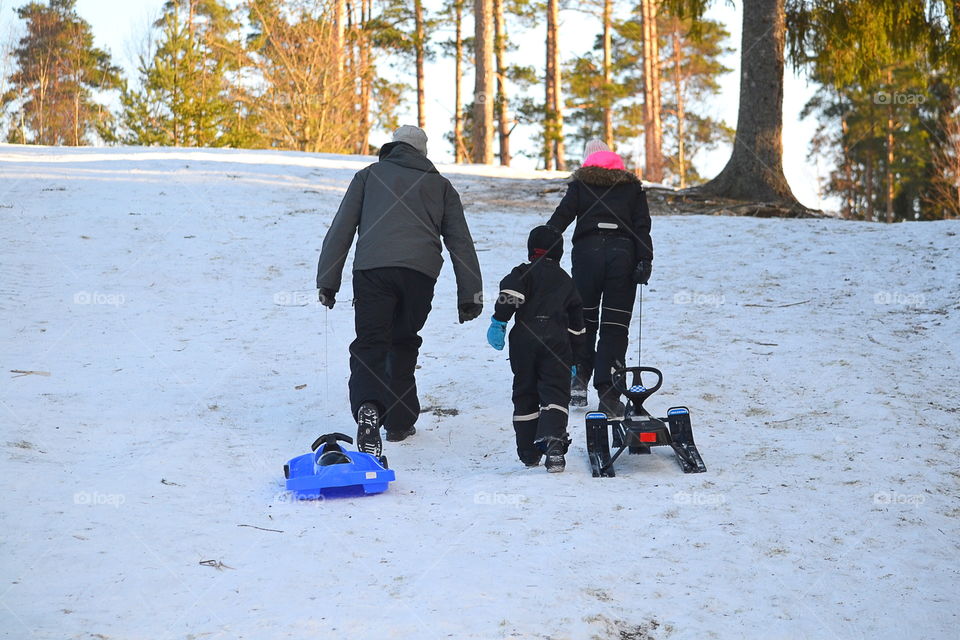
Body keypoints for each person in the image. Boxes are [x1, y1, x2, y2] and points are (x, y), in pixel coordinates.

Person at [316, 125, 483, 457]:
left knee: (371, 342)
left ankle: (368, 408)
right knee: (403, 342)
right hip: (419, 277)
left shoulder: (368, 176)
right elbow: (459, 241)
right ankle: (400, 421)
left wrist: (328, 280)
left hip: (372, 271)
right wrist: (470, 295)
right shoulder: (441, 186)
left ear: (392, 147)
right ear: (422, 153)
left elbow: (342, 228)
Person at [545, 140, 653, 419]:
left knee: (583, 322)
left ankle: (578, 379)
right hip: (623, 256)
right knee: (615, 326)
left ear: (587, 162)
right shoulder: (632, 187)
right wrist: (645, 259)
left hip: (587, 255)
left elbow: (562, 217)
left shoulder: (580, 185)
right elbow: (642, 226)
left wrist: (542, 249)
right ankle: (609, 393)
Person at [486, 226, 585, 472]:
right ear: (560, 253)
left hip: (524, 341)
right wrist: (575, 359)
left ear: (531, 250)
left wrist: (499, 321)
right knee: (555, 393)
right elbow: (577, 327)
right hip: (557, 342)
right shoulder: (567, 281)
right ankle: (553, 442)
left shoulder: (524, 272)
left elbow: (510, 294)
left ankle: (528, 453)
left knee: (525, 391)